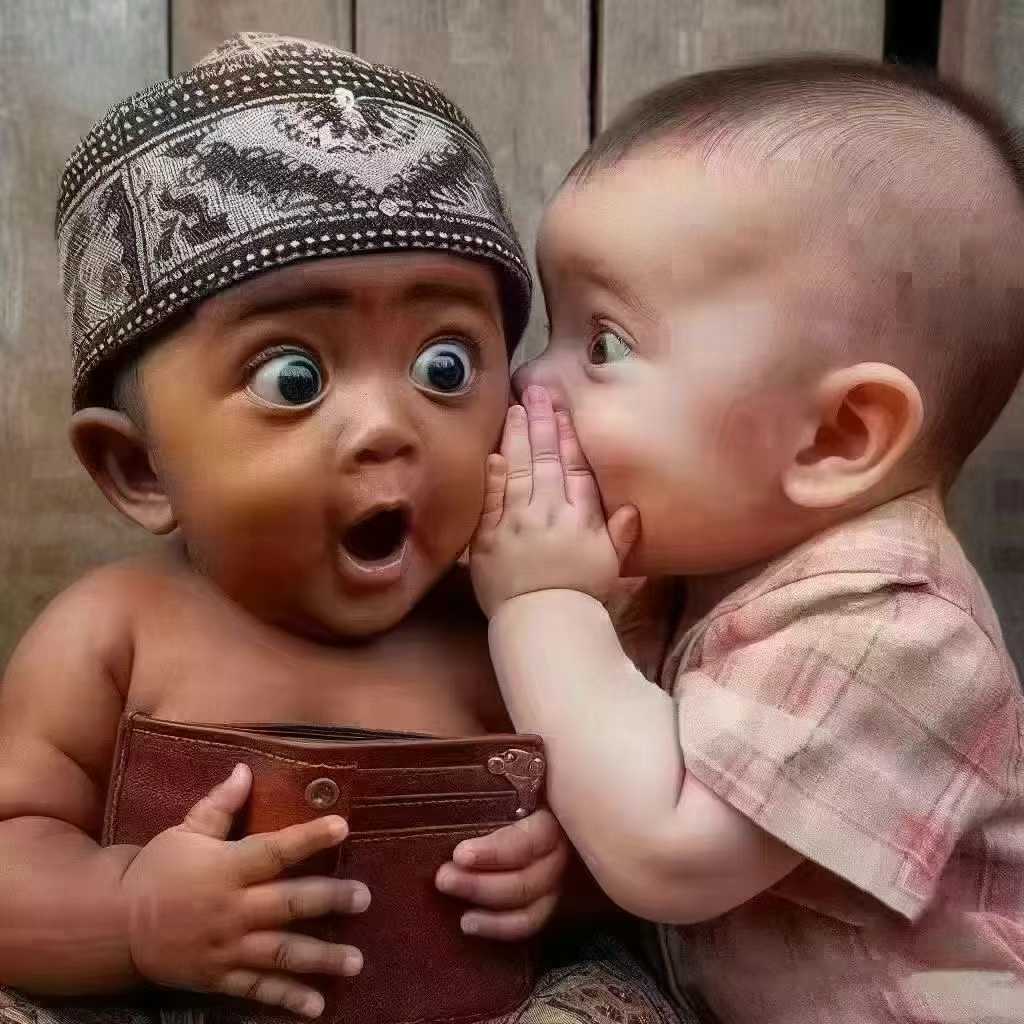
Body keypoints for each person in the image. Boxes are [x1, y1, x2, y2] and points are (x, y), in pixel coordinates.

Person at [0, 33, 679, 1024]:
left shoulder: (515, 636)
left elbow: (645, 832)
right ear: (138, 467)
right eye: (295, 379)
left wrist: (563, 870)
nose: (387, 426)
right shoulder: (114, 632)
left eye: (445, 366)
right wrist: (133, 912)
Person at [470, 57, 1024, 1023]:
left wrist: (541, 605)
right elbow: (630, 784)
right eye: (552, 332)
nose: (530, 382)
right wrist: (572, 864)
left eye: (603, 345)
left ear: (837, 436)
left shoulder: (899, 631)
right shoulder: (693, 570)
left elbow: (668, 854)